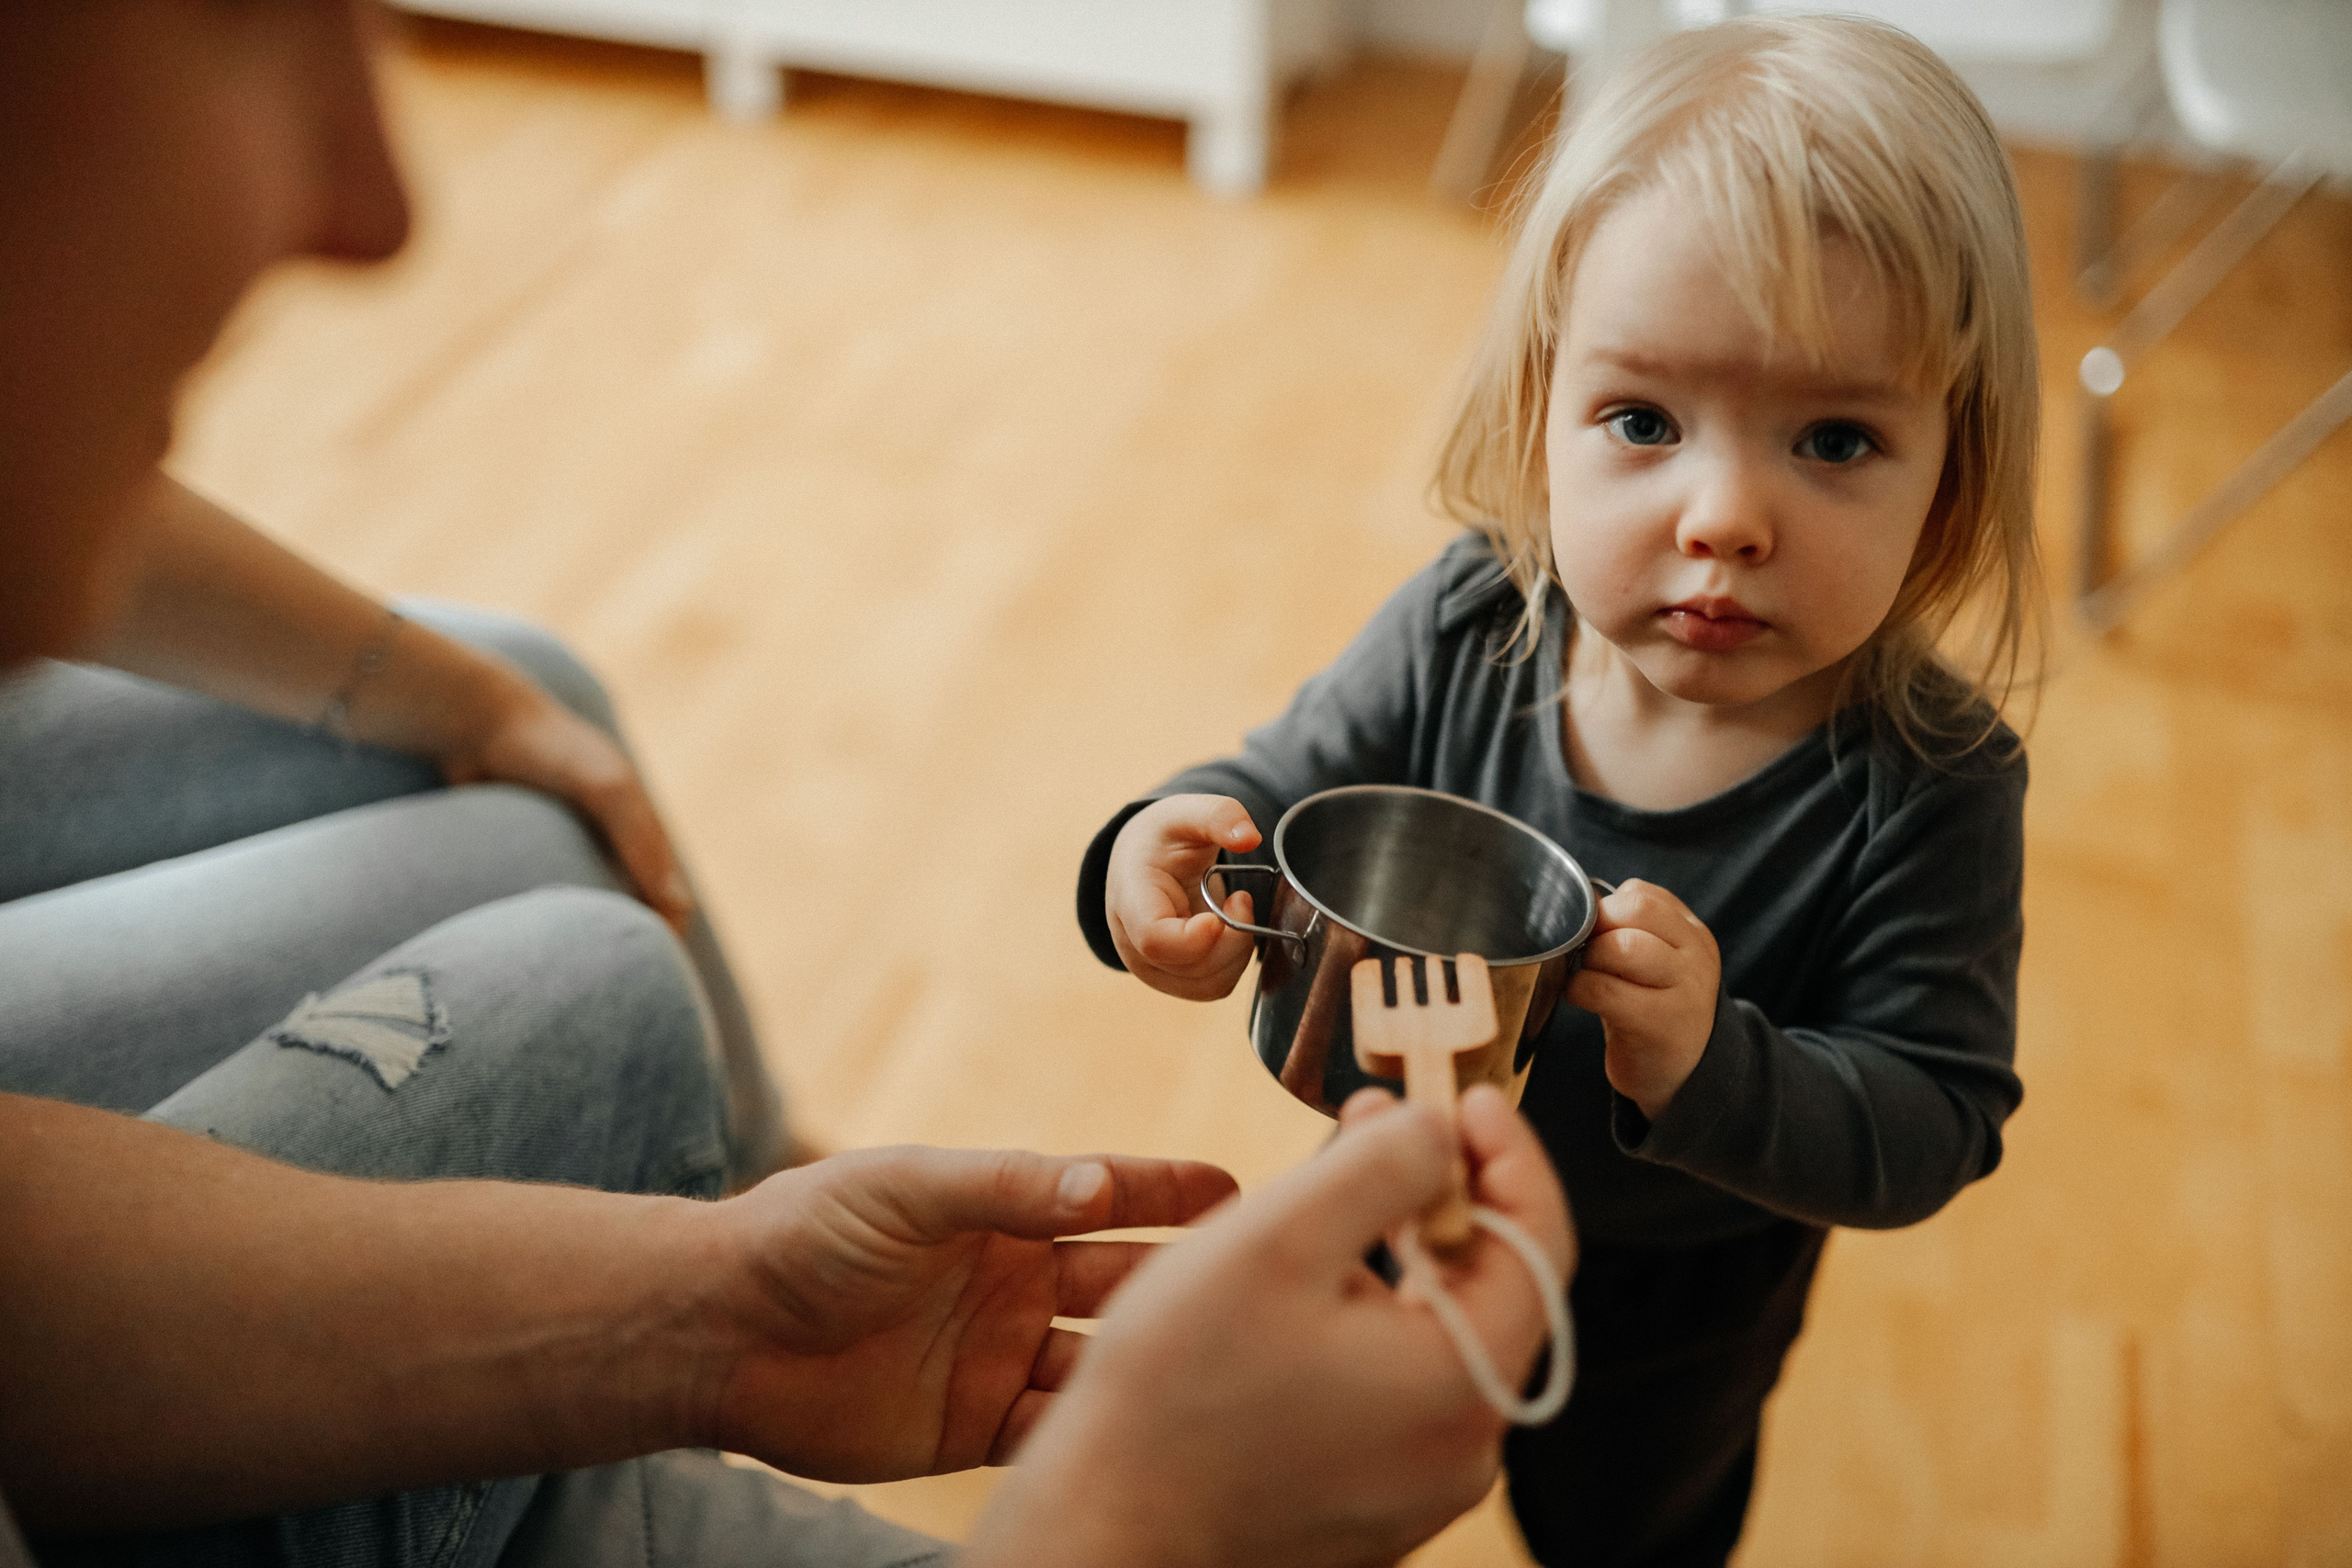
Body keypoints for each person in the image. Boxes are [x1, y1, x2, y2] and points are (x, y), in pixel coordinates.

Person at [0, 4, 1573, 1566]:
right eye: (238, 15)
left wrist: (735, 1318)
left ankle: (731, 1205)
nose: (381, 208)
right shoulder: (1460, 614)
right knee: (598, 981)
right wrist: (1145, 1530)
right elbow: (1259, 779)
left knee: (578, 878)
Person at [1082, 16, 2042, 1565]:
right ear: (1543, 408)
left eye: (1837, 437)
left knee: (1629, 1532)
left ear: (1957, 468)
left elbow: (1933, 1116)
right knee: (1308, 1495)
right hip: (1394, 1191)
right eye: (1644, 422)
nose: (1723, 514)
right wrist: (1158, 840)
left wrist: (1709, 1063)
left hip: (1677, 1304)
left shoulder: (1930, 787)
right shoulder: (1473, 618)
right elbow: (1279, 783)